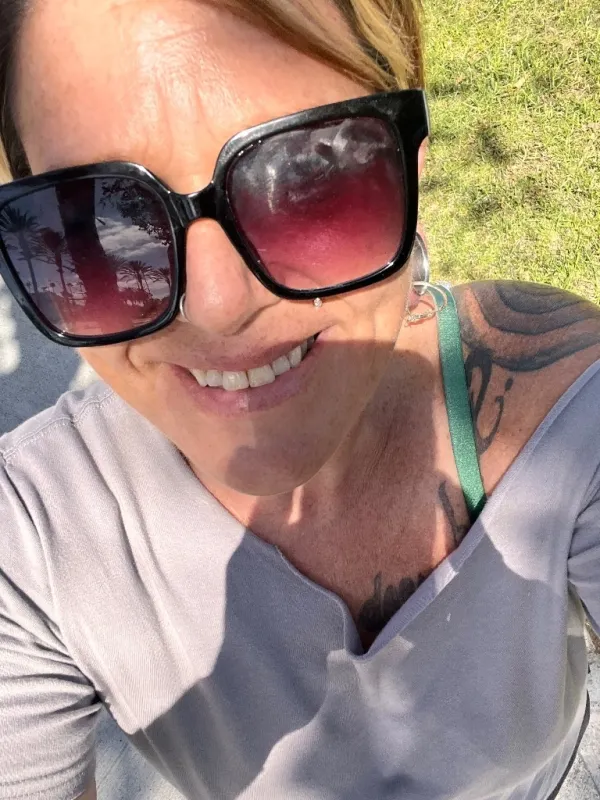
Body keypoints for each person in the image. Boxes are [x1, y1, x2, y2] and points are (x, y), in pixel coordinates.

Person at [0, 1, 598, 798]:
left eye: (306, 178)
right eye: (99, 221)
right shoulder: (29, 539)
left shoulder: (565, 410)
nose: (218, 306)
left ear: (411, 167)